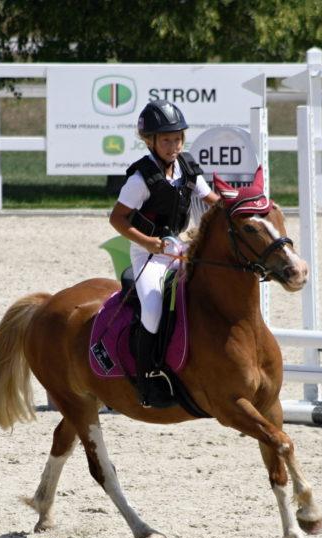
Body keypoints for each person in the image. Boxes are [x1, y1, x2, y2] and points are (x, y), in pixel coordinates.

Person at [109, 99, 220, 407]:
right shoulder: (140, 179)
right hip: (148, 254)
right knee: (153, 309)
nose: (174, 146)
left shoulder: (187, 167)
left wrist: (237, 205)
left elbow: (212, 200)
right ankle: (146, 380)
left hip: (181, 247)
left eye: (178, 139)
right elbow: (117, 219)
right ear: (150, 141)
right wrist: (147, 242)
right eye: (167, 140)